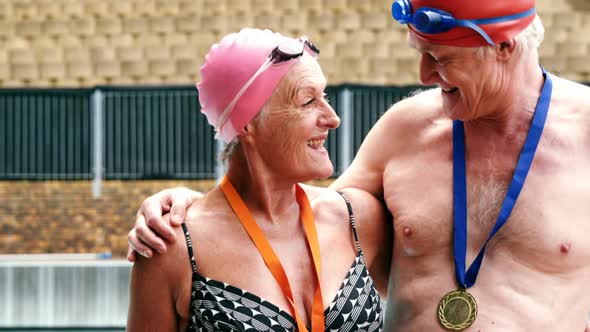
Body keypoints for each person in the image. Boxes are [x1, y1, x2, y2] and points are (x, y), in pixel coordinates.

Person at [128, 0, 590, 331]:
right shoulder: (405, 128)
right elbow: (303, 223)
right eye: (420, 54)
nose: (425, 76)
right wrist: (188, 208)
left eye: (440, 58)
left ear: (504, 47)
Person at [126, 28, 392, 331]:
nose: (333, 118)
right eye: (308, 101)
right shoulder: (173, 245)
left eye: (325, 97)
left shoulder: (357, 218)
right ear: (248, 122)